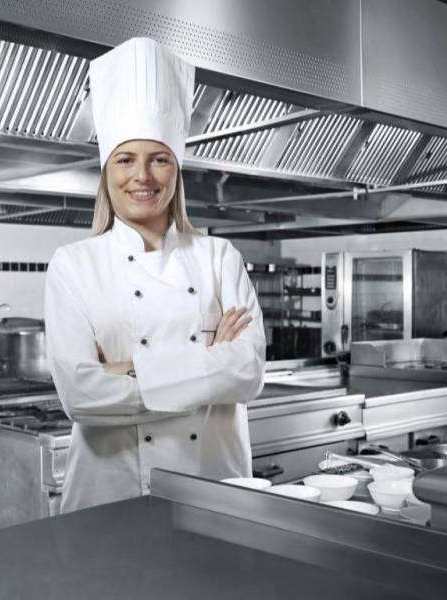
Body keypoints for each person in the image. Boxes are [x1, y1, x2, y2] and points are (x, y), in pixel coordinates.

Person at [45, 37, 266, 514]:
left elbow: (247, 372)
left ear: (176, 170)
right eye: (125, 159)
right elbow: (81, 395)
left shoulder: (219, 256)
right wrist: (206, 361)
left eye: (158, 158)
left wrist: (125, 369)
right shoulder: (73, 264)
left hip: (215, 494)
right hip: (109, 498)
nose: (142, 175)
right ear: (107, 171)